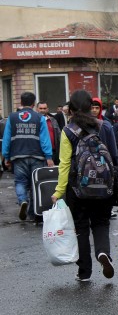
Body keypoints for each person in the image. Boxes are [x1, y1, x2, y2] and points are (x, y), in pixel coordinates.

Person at [51, 90, 118, 281]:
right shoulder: (104, 126)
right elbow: (113, 156)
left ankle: (84, 272)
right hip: (105, 186)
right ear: (91, 107)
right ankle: (103, 252)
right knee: (101, 223)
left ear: (70, 109)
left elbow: (64, 164)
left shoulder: (68, 131)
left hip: (77, 188)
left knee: (80, 227)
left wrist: (59, 191)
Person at [2, 92, 55, 220]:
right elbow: (44, 138)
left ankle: (22, 201)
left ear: (21, 102)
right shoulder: (39, 117)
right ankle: (32, 212)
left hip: (18, 155)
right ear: (33, 104)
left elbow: (7, 138)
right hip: (37, 155)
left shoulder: (12, 117)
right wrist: (49, 156)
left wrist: (6, 156)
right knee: (34, 184)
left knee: (20, 181)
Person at [37, 101, 61, 166]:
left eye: (44, 108)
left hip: (53, 152)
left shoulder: (53, 120)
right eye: (40, 108)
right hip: (39, 152)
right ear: (37, 109)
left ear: (47, 109)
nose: (42, 110)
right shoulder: (34, 121)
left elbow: (59, 136)